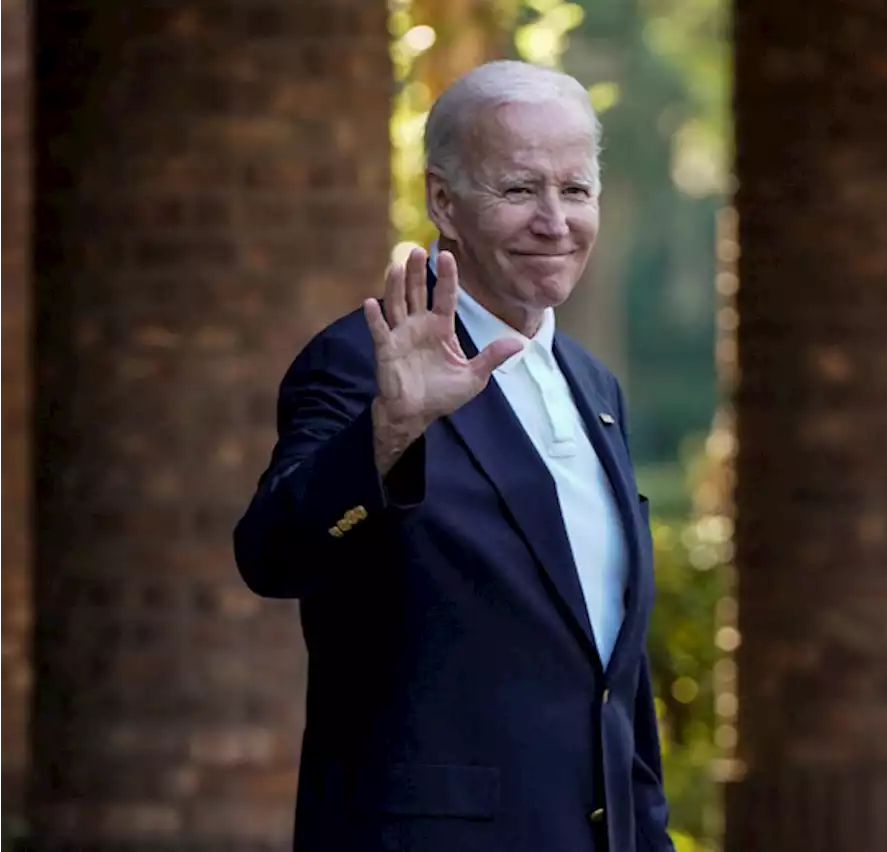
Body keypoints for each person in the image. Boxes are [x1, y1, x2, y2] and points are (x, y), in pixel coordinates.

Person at [233, 60, 674, 852]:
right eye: (519, 190)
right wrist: (390, 429)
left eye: (575, 191)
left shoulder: (594, 385)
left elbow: (614, 683)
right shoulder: (362, 362)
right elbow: (273, 556)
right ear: (445, 201)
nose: (555, 221)